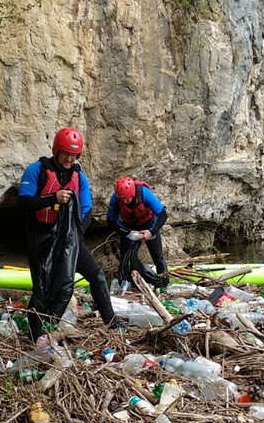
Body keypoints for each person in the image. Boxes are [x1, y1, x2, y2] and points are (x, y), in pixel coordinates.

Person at [17, 127, 116, 340]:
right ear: (57, 151)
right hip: (41, 238)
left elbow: (86, 210)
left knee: (96, 275)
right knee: (42, 286)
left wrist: (76, 236)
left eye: (74, 155)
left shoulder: (80, 177)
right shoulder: (36, 170)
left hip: (69, 240)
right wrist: (53, 198)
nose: (70, 159)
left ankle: (111, 321)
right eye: (66, 154)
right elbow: (24, 202)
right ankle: (35, 336)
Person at [107, 176, 169, 288]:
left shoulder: (144, 193)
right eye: (122, 199)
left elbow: (162, 214)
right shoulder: (116, 199)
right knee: (126, 257)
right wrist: (127, 232)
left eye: (127, 199)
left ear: (132, 193)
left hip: (148, 224)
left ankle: (163, 285)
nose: (125, 202)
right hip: (128, 226)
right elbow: (111, 221)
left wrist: (151, 232)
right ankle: (127, 283)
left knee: (157, 256)